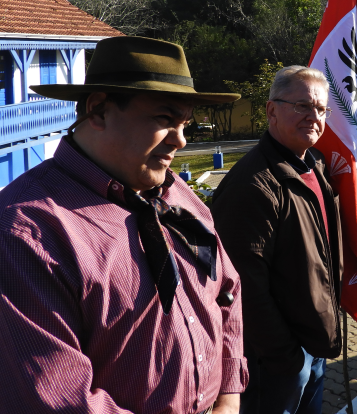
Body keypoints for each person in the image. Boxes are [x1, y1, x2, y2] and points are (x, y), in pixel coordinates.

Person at [0, 36, 247, 414]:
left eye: (184, 123)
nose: (180, 140)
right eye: (164, 119)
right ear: (98, 110)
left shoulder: (179, 194)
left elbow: (226, 292)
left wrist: (228, 397)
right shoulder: (26, 233)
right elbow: (59, 400)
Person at [210, 65, 357, 414]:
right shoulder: (252, 184)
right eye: (302, 106)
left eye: (321, 109)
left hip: (311, 343)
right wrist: (285, 356)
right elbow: (243, 286)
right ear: (271, 110)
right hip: (275, 360)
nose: (314, 117)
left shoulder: (315, 165)